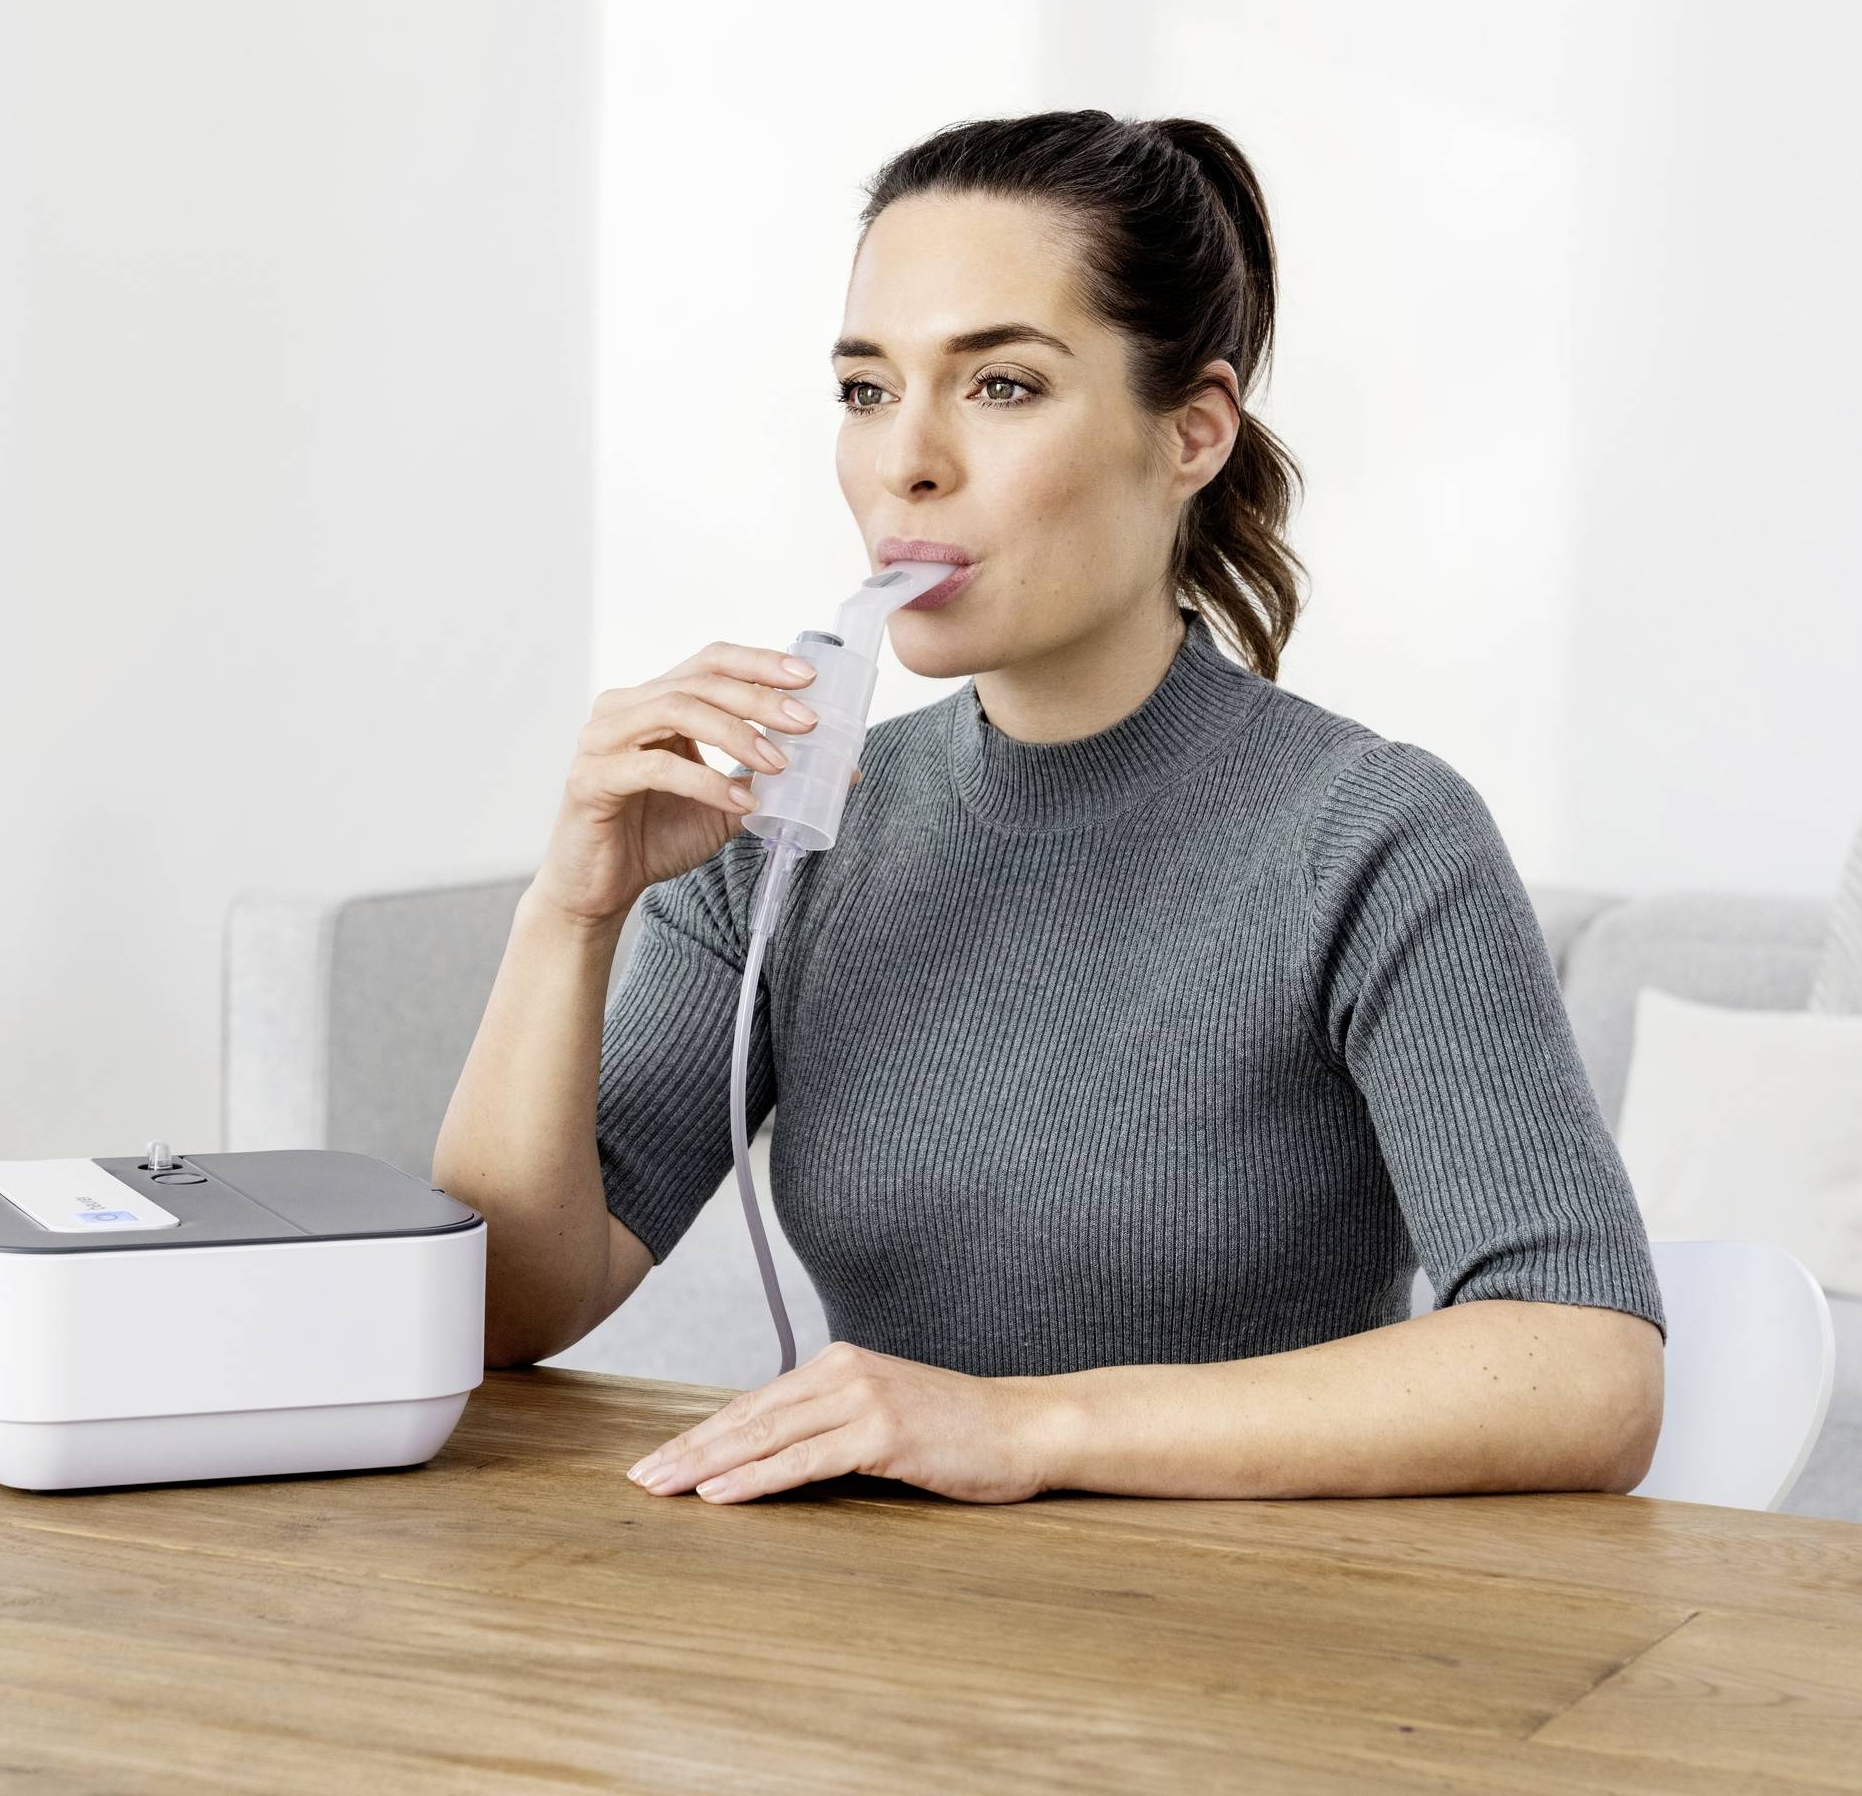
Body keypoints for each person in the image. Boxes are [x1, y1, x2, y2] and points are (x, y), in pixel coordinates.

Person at [431, 109, 1664, 1507]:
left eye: (1001, 386)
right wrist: (571, 909)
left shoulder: (1373, 836)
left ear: (1191, 433)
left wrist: (1023, 1430)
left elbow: (1588, 1372)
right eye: (865, 390)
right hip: (883, 1622)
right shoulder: (787, 833)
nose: (906, 461)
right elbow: (501, 1309)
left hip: (1258, 1625)